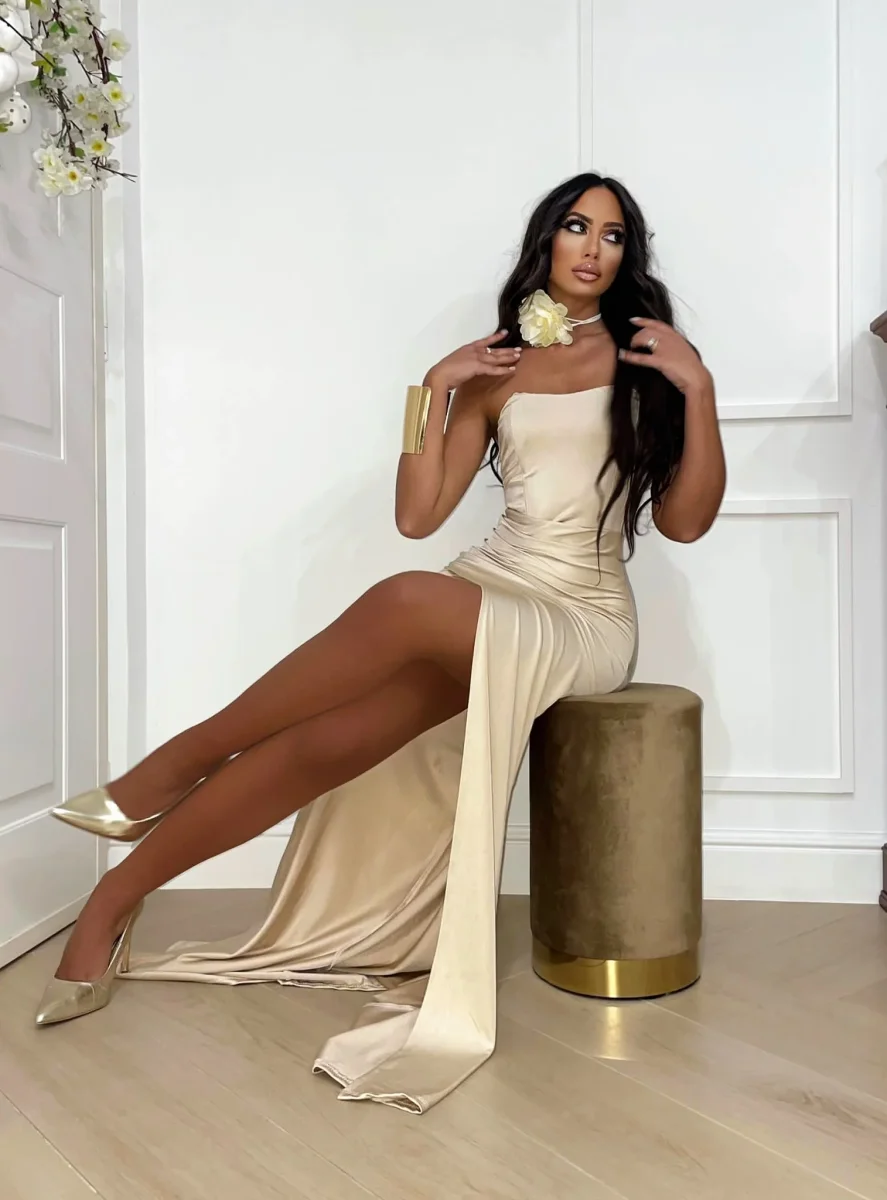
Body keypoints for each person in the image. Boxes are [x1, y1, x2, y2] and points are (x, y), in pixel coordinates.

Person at [35, 172, 726, 1112]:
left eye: (611, 234)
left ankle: (170, 766)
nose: (592, 248)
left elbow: (685, 524)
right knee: (322, 744)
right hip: (489, 589)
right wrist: (432, 389)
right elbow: (416, 515)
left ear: (625, 255)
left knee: (406, 599)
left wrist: (699, 389)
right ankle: (110, 907)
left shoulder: (652, 361)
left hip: (581, 616)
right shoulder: (500, 368)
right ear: (547, 241)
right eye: (576, 226)